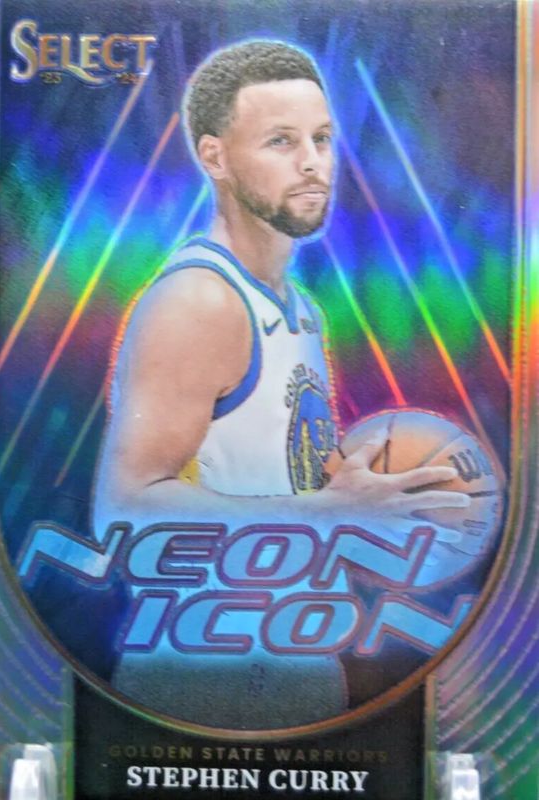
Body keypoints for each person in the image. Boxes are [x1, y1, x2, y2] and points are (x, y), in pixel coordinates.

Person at [93, 40, 468, 727]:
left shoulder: (300, 310)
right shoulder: (199, 301)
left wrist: (370, 501)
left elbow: (284, 479)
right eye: (280, 141)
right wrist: (329, 513)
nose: (312, 162)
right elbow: (125, 510)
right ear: (215, 158)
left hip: (298, 666)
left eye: (321, 138)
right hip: (200, 678)